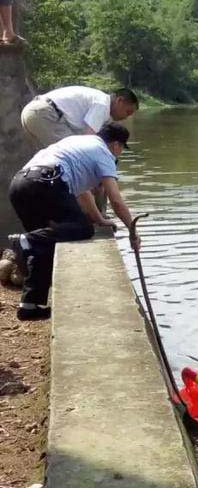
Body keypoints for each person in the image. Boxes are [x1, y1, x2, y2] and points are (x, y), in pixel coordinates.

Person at [8, 122, 140, 321]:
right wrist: (133, 231)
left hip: (20, 184)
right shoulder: (104, 153)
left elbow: (83, 194)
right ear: (116, 145)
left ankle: (30, 306)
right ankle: (27, 240)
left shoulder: (76, 144)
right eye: (121, 149)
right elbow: (116, 201)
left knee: (44, 245)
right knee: (82, 229)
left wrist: (99, 219)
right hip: (46, 183)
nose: (119, 154)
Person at [21, 86, 139, 149]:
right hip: (46, 115)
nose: (126, 117)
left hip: (33, 111)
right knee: (74, 154)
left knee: (46, 162)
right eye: (127, 112)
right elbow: (88, 140)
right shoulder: (103, 105)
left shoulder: (98, 99)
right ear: (119, 101)